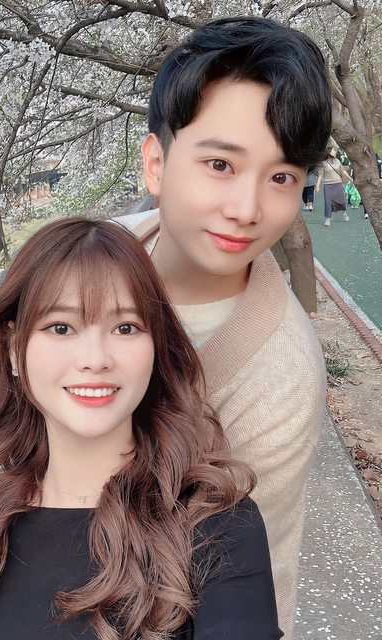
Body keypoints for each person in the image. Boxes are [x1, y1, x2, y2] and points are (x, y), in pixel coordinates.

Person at [0, 218, 282, 639]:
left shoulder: (213, 528)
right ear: (13, 349)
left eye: (125, 327)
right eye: (61, 328)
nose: (95, 359)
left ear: (156, 347)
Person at [114, 16, 331, 639]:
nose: (247, 209)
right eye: (219, 164)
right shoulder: (92, 260)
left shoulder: (281, 378)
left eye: (282, 177)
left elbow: (237, 584)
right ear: (156, 163)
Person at [315, 146, 353, 226]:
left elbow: (343, 171)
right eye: (332, 154)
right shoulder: (323, 164)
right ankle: (328, 219)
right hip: (328, 185)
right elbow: (320, 175)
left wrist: (350, 178)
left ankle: (344, 213)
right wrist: (317, 186)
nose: (334, 156)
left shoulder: (337, 161)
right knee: (328, 202)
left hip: (338, 183)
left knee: (341, 201)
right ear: (328, 155)